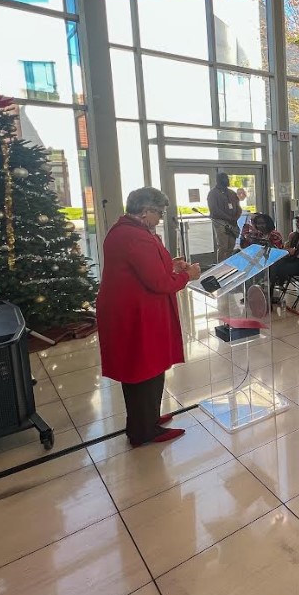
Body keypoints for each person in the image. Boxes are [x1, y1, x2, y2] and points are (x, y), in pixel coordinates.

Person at [98, 187, 200, 447]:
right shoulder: (135, 236)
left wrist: (172, 266)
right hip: (137, 314)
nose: (161, 218)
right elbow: (159, 282)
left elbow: (149, 268)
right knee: (143, 369)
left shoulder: (129, 230)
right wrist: (188, 276)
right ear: (146, 212)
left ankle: (146, 419)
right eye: (159, 213)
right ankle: (143, 431)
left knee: (147, 368)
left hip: (136, 310)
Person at [207, 172, 241, 262]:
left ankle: (229, 265)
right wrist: (229, 218)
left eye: (226, 178)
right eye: (223, 179)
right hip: (220, 222)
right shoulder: (212, 194)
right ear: (218, 181)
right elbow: (215, 210)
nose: (225, 180)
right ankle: (221, 267)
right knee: (223, 246)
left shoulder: (232, 193)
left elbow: (238, 207)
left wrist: (235, 218)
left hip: (233, 222)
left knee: (231, 245)